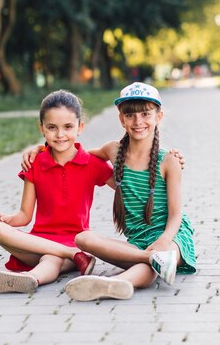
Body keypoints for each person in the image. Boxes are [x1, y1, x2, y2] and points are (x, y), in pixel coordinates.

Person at [64, 82, 197, 301]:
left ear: (158, 116)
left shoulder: (169, 161)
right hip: (137, 242)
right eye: (130, 115)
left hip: (171, 237)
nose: (138, 122)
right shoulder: (112, 150)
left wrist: (164, 240)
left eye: (145, 114)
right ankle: (139, 268)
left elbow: (176, 214)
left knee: (161, 257)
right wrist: (40, 150)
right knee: (83, 238)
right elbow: (77, 157)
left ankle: (117, 282)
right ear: (121, 119)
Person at [0, 90, 114, 294]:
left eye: (68, 127)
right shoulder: (35, 163)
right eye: (52, 128)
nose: (60, 135)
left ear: (80, 127)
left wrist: (162, 162)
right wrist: (4, 219)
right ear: (42, 128)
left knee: (52, 258)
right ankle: (73, 255)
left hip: (75, 240)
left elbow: (125, 187)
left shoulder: (93, 164)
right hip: (38, 242)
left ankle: (29, 279)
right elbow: (24, 216)